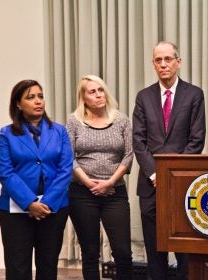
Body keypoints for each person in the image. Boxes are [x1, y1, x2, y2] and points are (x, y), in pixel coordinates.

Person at [132, 41, 206, 280]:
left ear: (178, 62)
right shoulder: (143, 97)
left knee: (184, 250)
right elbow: (138, 142)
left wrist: (173, 176)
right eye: (158, 60)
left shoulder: (194, 95)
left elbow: (196, 140)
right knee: (155, 252)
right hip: (150, 186)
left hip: (182, 185)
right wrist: (156, 174)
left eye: (168, 59)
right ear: (153, 64)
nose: (163, 64)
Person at [0, 79, 73, 280]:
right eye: (31, 97)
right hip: (15, 211)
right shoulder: (7, 134)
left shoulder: (59, 131)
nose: (38, 101)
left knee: (48, 266)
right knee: (18, 268)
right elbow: (6, 172)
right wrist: (30, 203)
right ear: (18, 104)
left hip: (53, 209)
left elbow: (65, 169)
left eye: (40, 96)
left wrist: (44, 203)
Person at [66, 75, 133, 280]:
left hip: (115, 192)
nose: (98, 95)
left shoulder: (121, 119)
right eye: (92, 91)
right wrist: (88, 182)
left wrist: (110, 182)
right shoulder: (73, 121)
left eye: (101, 90)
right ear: (83, 97)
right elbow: (68, 157)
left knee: (122, 251)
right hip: (82, 193)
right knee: (90, 252)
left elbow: (129, 155)